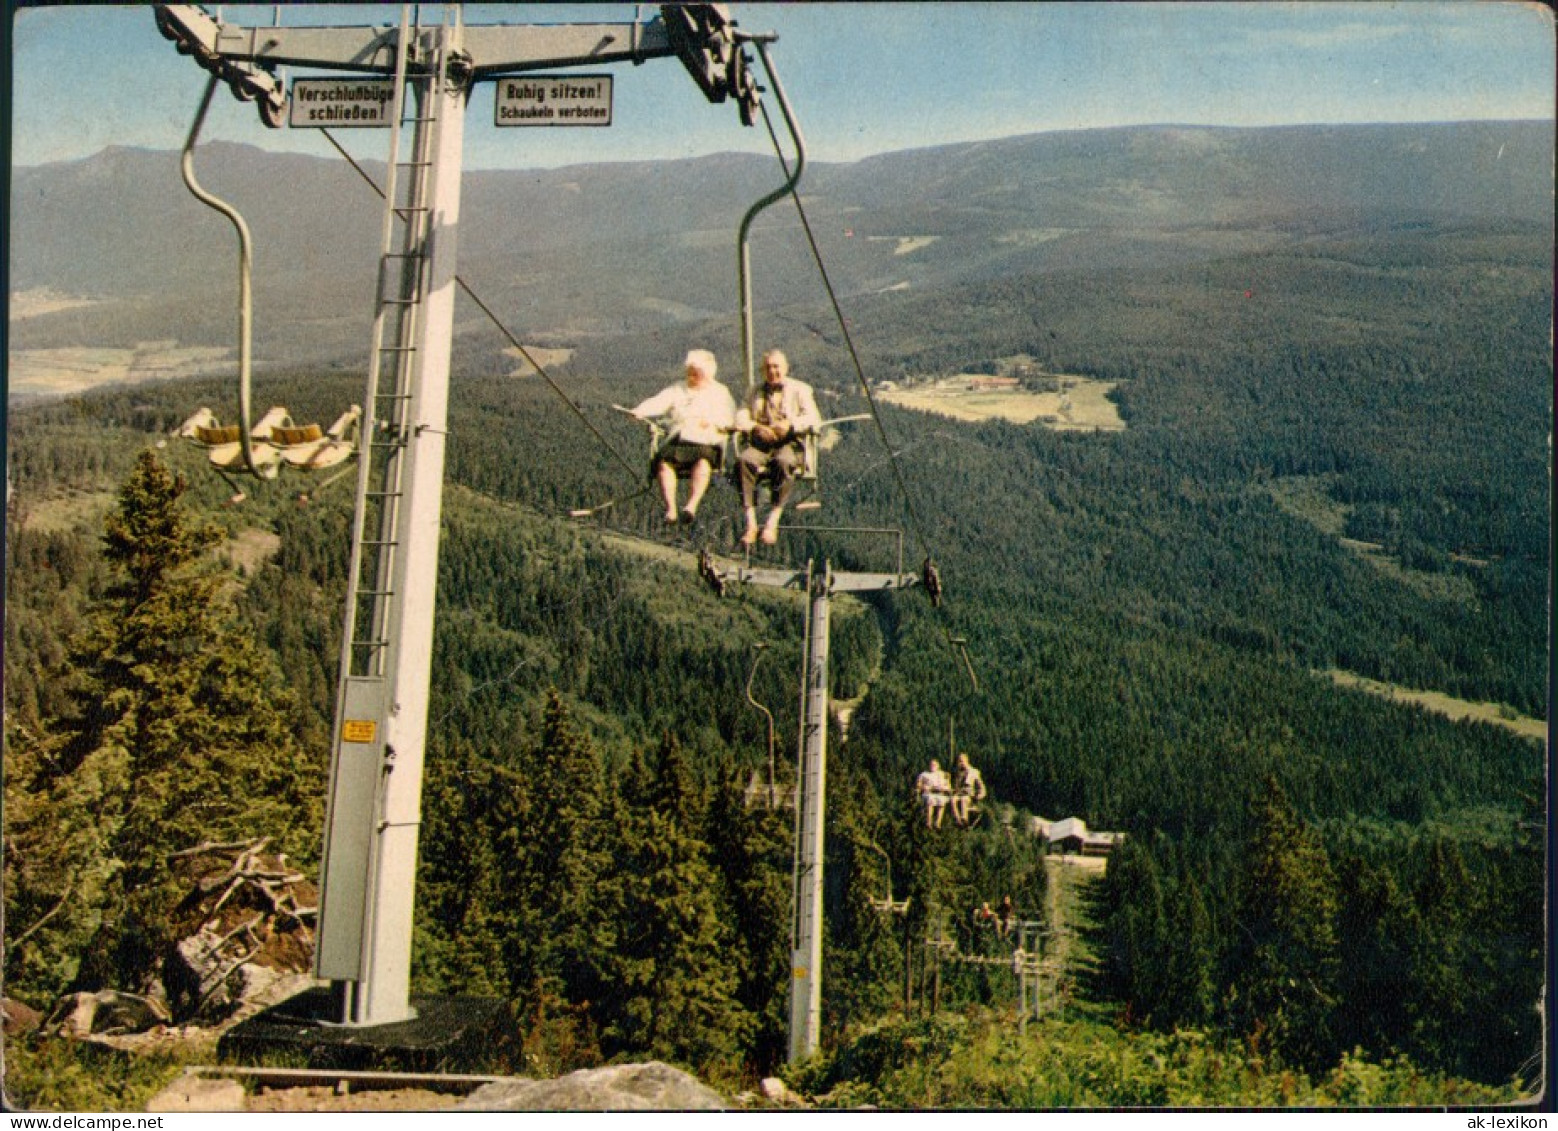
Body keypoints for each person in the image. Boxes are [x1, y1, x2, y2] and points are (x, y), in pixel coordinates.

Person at [630, 349, 736, 526]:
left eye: (696, 374)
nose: (692, 377)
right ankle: (670, 509)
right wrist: (640, 411)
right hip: (681, 438)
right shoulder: (678, 389)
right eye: (690, 373)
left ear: (707, 374)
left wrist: (713, 423)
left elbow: (729, 416)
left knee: (702, 463)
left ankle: (691, 506)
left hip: (706, 440)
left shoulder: (720, 392)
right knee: (664, 464)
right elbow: (658, 402)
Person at [734, 349, 821, 546]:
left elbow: (813, 418)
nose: (772, 371)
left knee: (784, 462)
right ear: (762, 370)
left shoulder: (800, 390)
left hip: (788, 442)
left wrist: (790, 425)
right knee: (744, 461)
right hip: (762, 444)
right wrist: (755, 427)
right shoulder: (754, 391)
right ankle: (751, 524)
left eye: (776, 367)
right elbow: (741, 414)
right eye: (768, 367)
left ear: (785, 368)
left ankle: (773, 521)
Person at [951, 752, 987, 827]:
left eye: (962, 761)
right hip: (959, 793)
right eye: (959, 761)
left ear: (967, 761)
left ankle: (964, 819)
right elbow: (955, 786)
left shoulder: (973, 772)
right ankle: (958, 820)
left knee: (964, 799)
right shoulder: (958, 773)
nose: (961, 763)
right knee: (953, 799)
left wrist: (980, 795)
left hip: (970, 796)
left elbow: (981, 786)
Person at [915, 758, 951, 829]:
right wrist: (923, 787)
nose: (932, 766)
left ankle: (937, 823)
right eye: (931, 765)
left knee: (942, 800)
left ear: (938, 766)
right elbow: (918, 785)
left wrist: (945, 788)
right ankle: (928, 822)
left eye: (934, 765)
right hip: (929, 792)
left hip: (940, 792)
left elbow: (948, 785)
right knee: (930, 799)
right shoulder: (924, 774)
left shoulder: (942, 774)